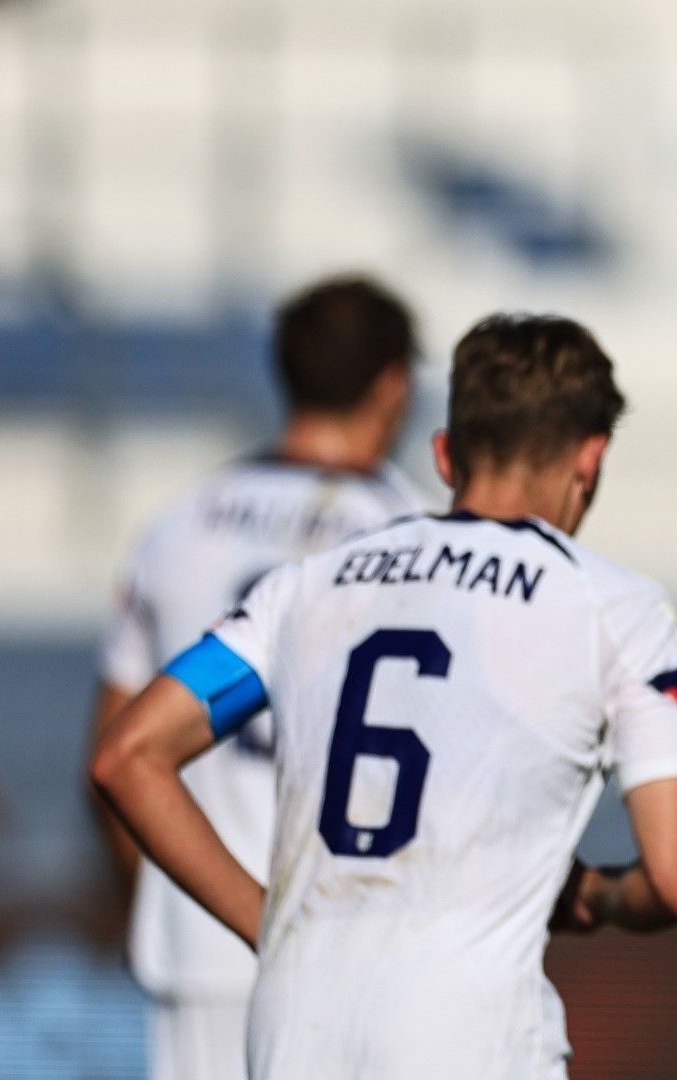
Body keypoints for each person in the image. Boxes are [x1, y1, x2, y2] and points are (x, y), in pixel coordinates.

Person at [92, 314, 677, 1078]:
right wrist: (600, 894)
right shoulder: (618, 610)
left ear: (446, 454)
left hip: (295, 1028)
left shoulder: (310, 584)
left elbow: (128, 755)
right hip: (472, 1037)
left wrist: (270, 926)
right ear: (591, 458)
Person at [91, 275, 424, 1080]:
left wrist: (178, 902)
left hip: (201, 946)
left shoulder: (177, 527)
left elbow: (112, 750)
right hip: (361, 950)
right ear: (394, 385)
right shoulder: (418, 534)